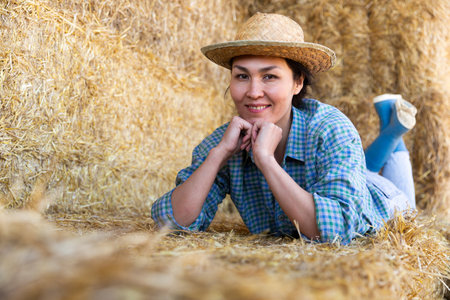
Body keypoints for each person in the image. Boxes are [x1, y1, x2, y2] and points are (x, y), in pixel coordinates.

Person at [151, 12, 417, 244]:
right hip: (342, 178)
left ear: (297, 83)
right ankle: (392, 132)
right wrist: (218, 156)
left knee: (396, 197)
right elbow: (171, 223)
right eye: (242, 76)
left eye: (270, 76)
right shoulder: (224, 142)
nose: (254, 92)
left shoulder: (329, 127)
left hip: (386, 203)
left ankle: (394, 134)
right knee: (359, 169)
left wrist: (266, 161)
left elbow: (335, 232)